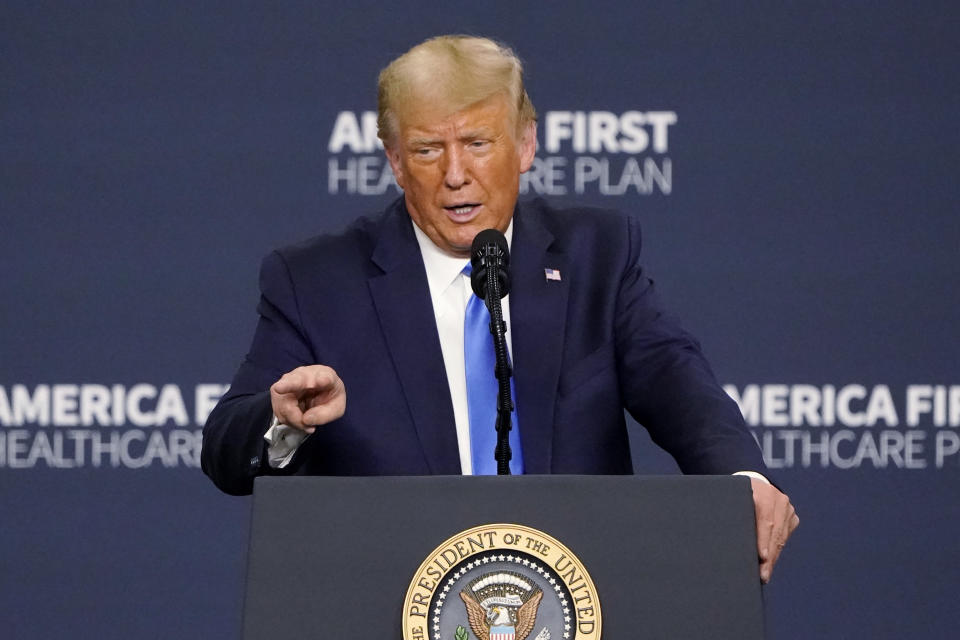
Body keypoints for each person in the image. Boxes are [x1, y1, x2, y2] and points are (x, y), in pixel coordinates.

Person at [201, 35, 798, 582]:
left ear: (526, 143)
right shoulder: (317, 280)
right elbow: (227, 448)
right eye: (428, 149)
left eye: (478, 143)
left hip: (580, 597)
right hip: (390, 598)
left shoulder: (597, 255)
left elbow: (677, 381)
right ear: (394, 160)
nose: (455, 175)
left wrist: (739, 481)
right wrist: (285, 420)